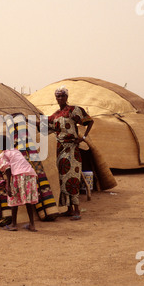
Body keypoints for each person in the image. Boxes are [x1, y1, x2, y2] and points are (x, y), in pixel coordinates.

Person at [48, 86, 94, 220]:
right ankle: (68, 209)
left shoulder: (74, 110)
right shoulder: (55, 115)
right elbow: (45, 126)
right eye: (58, 96)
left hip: (72, 148)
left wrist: (83, 137)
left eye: (62, 96)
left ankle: (77, 211)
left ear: (67, 97)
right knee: (63, 178)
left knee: (72, 177)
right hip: (60, 149)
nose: (60, 98)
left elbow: (90, 121)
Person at [0, 135, 39, 232]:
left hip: (19, 175)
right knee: (28, 201)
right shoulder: (15, 151)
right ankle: (32, 224)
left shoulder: (4, 154)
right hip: (30, 174)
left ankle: (14, 224)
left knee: (13, 198)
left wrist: (8, 185)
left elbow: (8, 169)